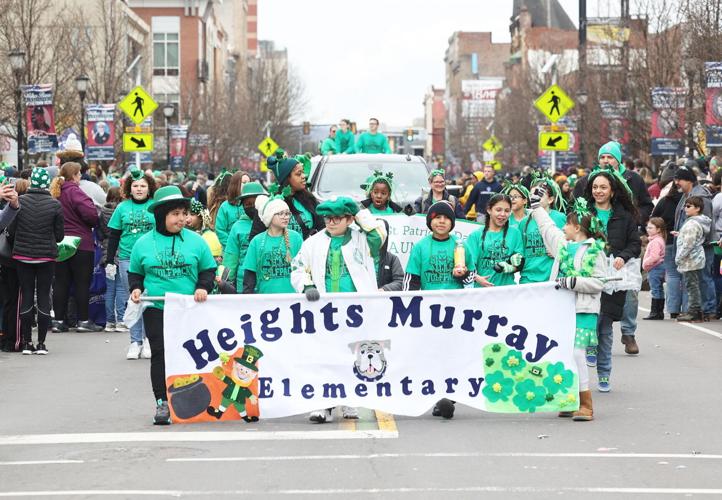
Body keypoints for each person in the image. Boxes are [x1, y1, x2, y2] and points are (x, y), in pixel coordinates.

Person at [290, 196, 386, 423]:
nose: (331, 222)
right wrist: (307, 285)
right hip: (325, 311)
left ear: (349, 219)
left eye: (337, 218)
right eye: (327, 218)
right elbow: (297, 266)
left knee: (352, 353)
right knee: (323, 355)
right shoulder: (313, 243)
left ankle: (349, 401)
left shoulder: (361, 239)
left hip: (356, 310)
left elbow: (378, 235)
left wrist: (360, 211)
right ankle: (322, 404)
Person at [128, 185, 217, 425]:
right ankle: (162, 403)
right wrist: (135, 288)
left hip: (189, 309)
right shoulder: (143, 243)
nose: (182, 219)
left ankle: (193, 399)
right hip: (157, 308)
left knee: (191, 353)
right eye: (175, 214)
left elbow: (208, 269)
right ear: (161, 216)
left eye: (183, 213)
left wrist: (202, 287)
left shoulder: (196, 241)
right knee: (160, 353)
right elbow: (135, 272)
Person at [530, 190, 608, 421]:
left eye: (567, 224)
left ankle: (586, 405)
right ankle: (568, 399)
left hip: (584, 311)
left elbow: (599, 282)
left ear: (577, 227)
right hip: (561, 311)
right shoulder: (563, 247)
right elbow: (547, 228)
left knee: (576, 353)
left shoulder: (595, 251)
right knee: (563, 354)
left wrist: (574, 282)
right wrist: (536, 207)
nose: (563, 226)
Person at [403, 200, 472, 419]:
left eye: (446, 218)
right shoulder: (421, 247)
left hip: (455, 309)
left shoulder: (460, 247)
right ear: (430, 222)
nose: (441, 222)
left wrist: (464, 274)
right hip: (429, 310)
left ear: (452, 223)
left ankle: (449, 394)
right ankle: (437, 394)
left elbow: (472, 279)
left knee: (454, 352)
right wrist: (409, 308)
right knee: (433, 353)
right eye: (437, 218)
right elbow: (411, 280)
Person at [583, 167, 641, 392]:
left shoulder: (625, 216)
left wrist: (622, 257)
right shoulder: (583, 213)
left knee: (605, 327)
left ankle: (604, 372)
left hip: (614, 280)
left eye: (603, 187)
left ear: (613, 191)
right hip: (588, 277)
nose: (598, 191)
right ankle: (589, 344)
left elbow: (634, 245)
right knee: (593, 321)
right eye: (595, 187)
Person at [9, 168, 62, 354]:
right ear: (47, 183)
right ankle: (41, 343)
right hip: (46, 256)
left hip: (22, 256)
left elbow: (12, 230)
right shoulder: (55, 205)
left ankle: (26, 343)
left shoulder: (20, 202)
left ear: (31, 182)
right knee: (44, 296)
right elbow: (60, 236)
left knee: (26, 295)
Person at [106, 169, 157, 359]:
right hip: (127, 259)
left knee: (149, 300)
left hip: (152, 259)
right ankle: (135, 342)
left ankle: (149, 340)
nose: (139, 189)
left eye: (143, 185)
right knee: (135, 299)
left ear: (149, 188)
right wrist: (110, 261)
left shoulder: (155, 206)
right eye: (135, 185)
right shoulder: (122, 208)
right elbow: (114, 236)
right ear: (130, 188)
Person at [49, 162, 102, 333]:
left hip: (60, 243)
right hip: (80, 243)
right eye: (79, 174)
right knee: (81, 283)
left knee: (60, 283)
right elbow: (91, 215)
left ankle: (58, 321)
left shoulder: (56, 193)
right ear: (75, 175)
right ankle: (83, 321)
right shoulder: (75, 192)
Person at [673, 166, 717, 321]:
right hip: (694, 247)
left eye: (679, 179)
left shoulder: (700, 197)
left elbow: (701, 226)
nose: (676, 182)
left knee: (702, 279)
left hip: (701, 248)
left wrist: (690, 241)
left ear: (689, 180)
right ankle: (699, 309)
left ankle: (708, 309)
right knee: (695, 281)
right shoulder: (688, 195)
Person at [242, 194, 302, 294]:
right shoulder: (257, 241)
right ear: (270, 216)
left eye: (287, 214)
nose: (285, 217)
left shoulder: (296, 238)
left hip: (292, 300)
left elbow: (304, 269)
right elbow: (249, 276)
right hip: (266, 301)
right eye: (281, 213)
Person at [259, 154, 323, 240]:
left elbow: (322, 227)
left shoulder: (310, 199)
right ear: (286, 179)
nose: (304, 176)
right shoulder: (272, 203)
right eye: (298, 174)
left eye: (303, 172)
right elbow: (258, 235)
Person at [466, 194, 524, 287]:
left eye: (507, 211)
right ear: (489, 210)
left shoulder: (515, 233)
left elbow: (519, 264)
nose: (502, 214)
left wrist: (511, 267)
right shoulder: (475, 235)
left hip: (507, 291)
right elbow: (466, 267)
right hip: (482, 292)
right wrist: (477, 278)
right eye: (498, 210)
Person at [518, 177, 567, 284]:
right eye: (531, 195)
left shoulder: (560, 218)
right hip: (528, 278)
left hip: (553, 277)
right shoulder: (524, 222)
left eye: (539, 195)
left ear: (550, 199)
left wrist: (558, 251)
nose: (534, 198)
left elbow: (568, 245)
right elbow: (520, 250)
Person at [223, 181, 266, 292]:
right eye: (247, 204)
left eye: (255, 203)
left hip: (267, 282)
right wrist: (226, 281)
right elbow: (231, 257)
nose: (252, 207)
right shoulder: (237, 227)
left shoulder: (272, 223)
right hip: (244, 283)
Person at [675, 196, 711, 322]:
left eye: (689, 206)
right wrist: (680, 234)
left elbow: (689, 244)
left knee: (692, 285)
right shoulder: (698, 222)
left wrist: (679, 257)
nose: (685, 208)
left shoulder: (692, 223)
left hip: (690, 259)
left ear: (697, 208)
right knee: (693, 284)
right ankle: (696, 310)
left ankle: (694, 311)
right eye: (685, 205)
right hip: (695, 258)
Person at [101, 187, 123, 333]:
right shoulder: (122, 211)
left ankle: (109, 321)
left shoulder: (102, 213)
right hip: (121, 251)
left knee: (110, 288)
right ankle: (121, 319)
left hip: (106, 251)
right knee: (121, 287)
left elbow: (100, 232)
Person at [215, 171, 251, 248]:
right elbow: (220, 230)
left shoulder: (254, 205)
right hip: (230, 251)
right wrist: (231, 245)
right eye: (244, 182)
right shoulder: (225, 206)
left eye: (249, 182)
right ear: (236, 185)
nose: (247, 185)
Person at [642, 217, 667, 320]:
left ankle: (655, 312)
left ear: (658, 229)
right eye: (647, 227)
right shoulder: (659, 240)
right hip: (659, 267)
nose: (648, 229)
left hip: (655, 267)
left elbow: (655, 256)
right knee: (659, 289)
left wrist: (645, 263)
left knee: (655, 289)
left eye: (651, 228)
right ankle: (659, 312)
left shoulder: (655, 241)